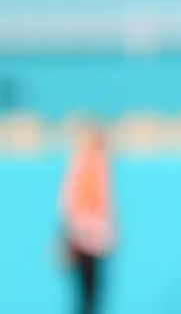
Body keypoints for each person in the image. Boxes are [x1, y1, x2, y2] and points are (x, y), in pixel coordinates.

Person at [59, 124, 115, 314]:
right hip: (84, 238)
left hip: (94, 240)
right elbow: (74, 203)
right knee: (87, 293)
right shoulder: (85, 163)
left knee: (92, 293)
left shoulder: (97, 164)